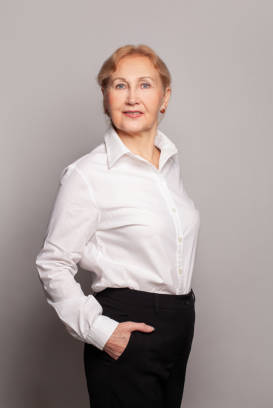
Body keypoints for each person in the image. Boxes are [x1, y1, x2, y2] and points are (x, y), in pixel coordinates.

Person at [34, 44, 201, 408]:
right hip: (127, 326)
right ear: (105, 97)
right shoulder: (87, 175)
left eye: (144, 85)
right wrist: (101, 331)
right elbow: (53, 263)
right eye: (120, 85)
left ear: (164, 97)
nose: (132, 97)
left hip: (178, 325)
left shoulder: (169, 165)